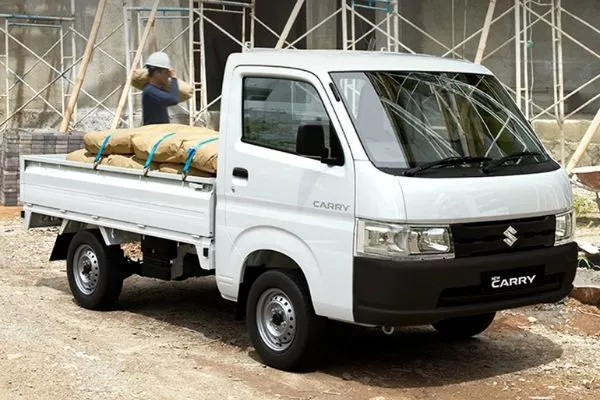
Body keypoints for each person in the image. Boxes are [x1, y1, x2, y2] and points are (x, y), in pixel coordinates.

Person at [142, 51, 179, 126]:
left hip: (160, 132)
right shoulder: (150, 91)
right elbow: (174, 99)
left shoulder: (158, 90)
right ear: (156, 73)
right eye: (166, 72)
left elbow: (173, 96)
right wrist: (174, 78)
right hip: (153, 134)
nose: (168, 75)